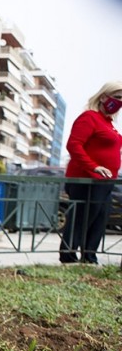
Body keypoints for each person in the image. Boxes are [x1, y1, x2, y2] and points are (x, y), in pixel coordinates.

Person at [59, 81, 122, 264]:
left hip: (105, 182)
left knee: (100, 219)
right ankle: (68, 256)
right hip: (86, 180)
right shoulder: (89, 117)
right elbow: (74, 145)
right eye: (117, 97)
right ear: (104, 97)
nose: (120, 102)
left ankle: (89, 257)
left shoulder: (110, 124)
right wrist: (93, 166)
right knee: (81, 218)